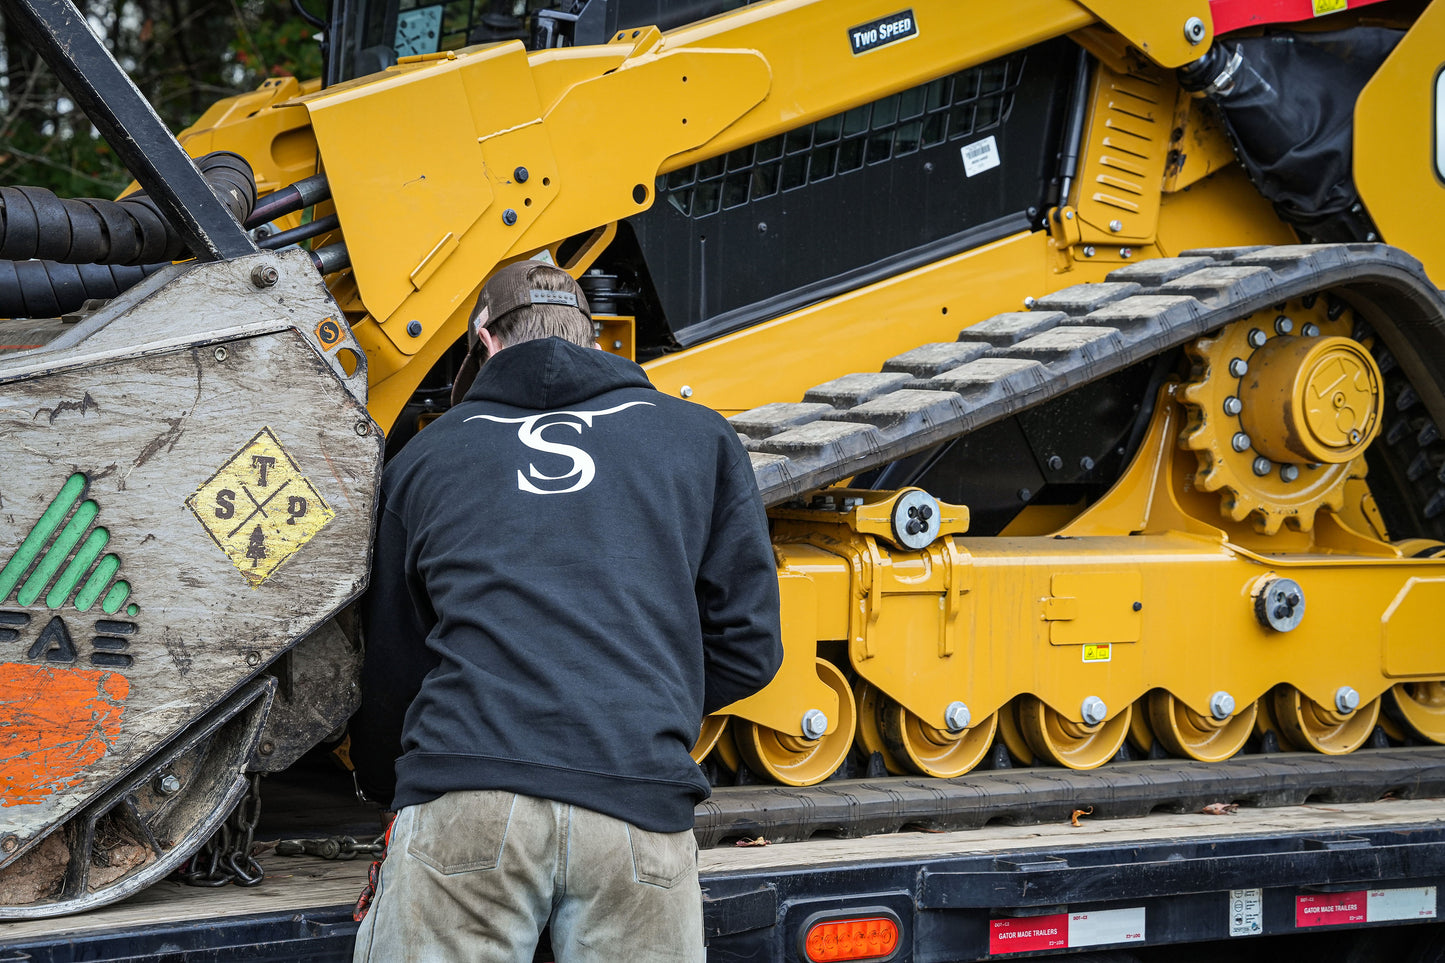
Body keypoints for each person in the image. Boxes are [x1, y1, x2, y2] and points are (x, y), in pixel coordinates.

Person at [349, 259, 783, 962]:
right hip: (636, 797)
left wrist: (382, 778)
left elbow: (394, 659)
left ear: (484, 342)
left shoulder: (425, 458)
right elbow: (749, 644)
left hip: (469, 793)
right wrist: (634, 698)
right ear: (593, 337)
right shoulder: (698, 439)